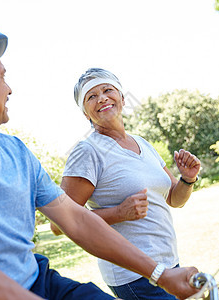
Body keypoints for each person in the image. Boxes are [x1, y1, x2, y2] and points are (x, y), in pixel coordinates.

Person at [0, 20, 200, 300]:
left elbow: (75, 219)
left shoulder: (16, 152)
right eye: (3, 76)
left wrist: (160, 274)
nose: (10, 89)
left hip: (36, 282)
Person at [50, 68, 201, 300]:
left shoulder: (142, 143)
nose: (101, 98)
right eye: (91, 96)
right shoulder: (88, 151)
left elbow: (174, 199)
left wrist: (187, 178)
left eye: (107, 90)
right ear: (85, 113)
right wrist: (118, 213)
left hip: (168, 262)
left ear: (121, 97)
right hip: (132, 274)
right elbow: (59, 224)